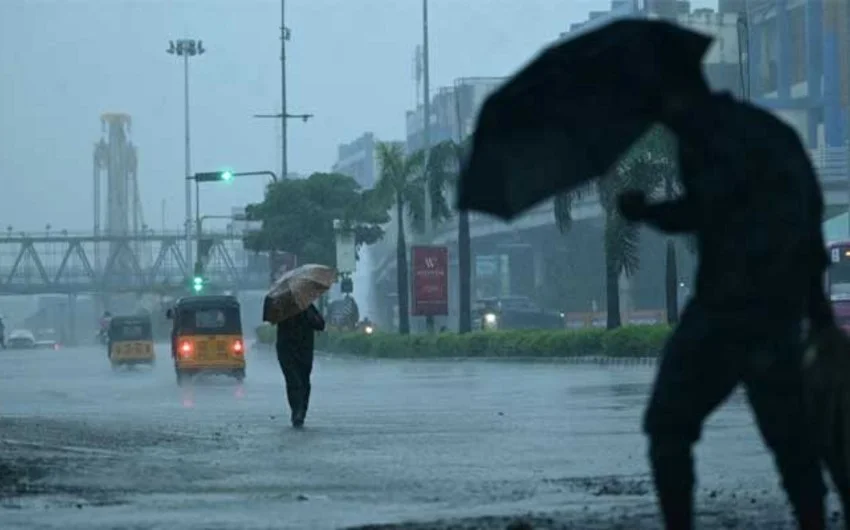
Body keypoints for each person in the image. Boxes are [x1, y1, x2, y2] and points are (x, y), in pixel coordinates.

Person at [617, 89, 831, 529]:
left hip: (727, 310)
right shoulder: (771, 133)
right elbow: (809, 216)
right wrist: (815, 308)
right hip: (776, 310)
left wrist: (647, 213)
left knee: (667, 423)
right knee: (791, 439)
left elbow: (710, 207)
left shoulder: (710, 138)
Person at [275, 303, 325, 428]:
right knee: (293, 381)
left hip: (304, 351)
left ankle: (301, 410)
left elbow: (320, 324)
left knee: (304, 382)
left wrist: (309, 315)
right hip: (287, 351)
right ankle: (297, 412)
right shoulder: (282, 307)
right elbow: (273, 319)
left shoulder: (308, 307)